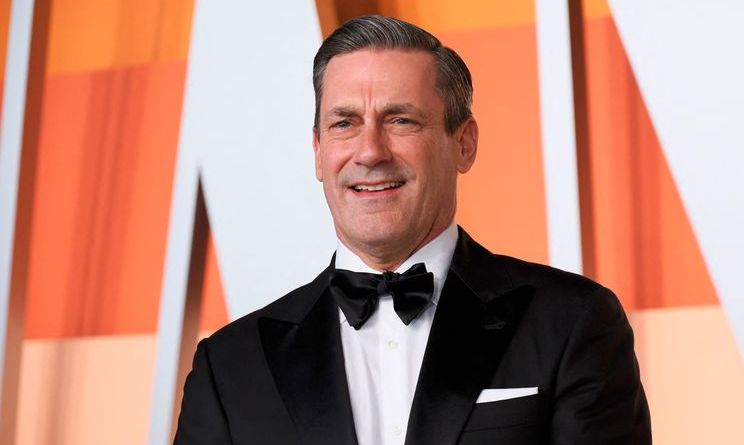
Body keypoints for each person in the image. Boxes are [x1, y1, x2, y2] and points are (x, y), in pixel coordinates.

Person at [174, 15, 651, 445]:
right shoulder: (230, 365)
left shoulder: (572, 322)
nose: (369, 152)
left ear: (464, 144)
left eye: (400, 120)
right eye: (344, 123)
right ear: (318, 152)